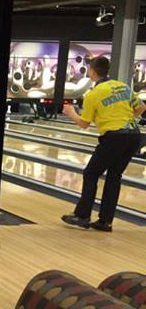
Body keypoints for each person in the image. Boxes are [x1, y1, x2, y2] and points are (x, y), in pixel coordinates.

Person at [61, 55, 145, 231]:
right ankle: (105, 222)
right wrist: (126, 119)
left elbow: (84, 123)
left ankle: (82, 216)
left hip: (114, 137)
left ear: (92, 72)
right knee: (114, 176)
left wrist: (71, 112)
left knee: (91, 173)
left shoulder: (93, 94)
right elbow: (142, 107)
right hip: (133, 136)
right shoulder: (123, 86)